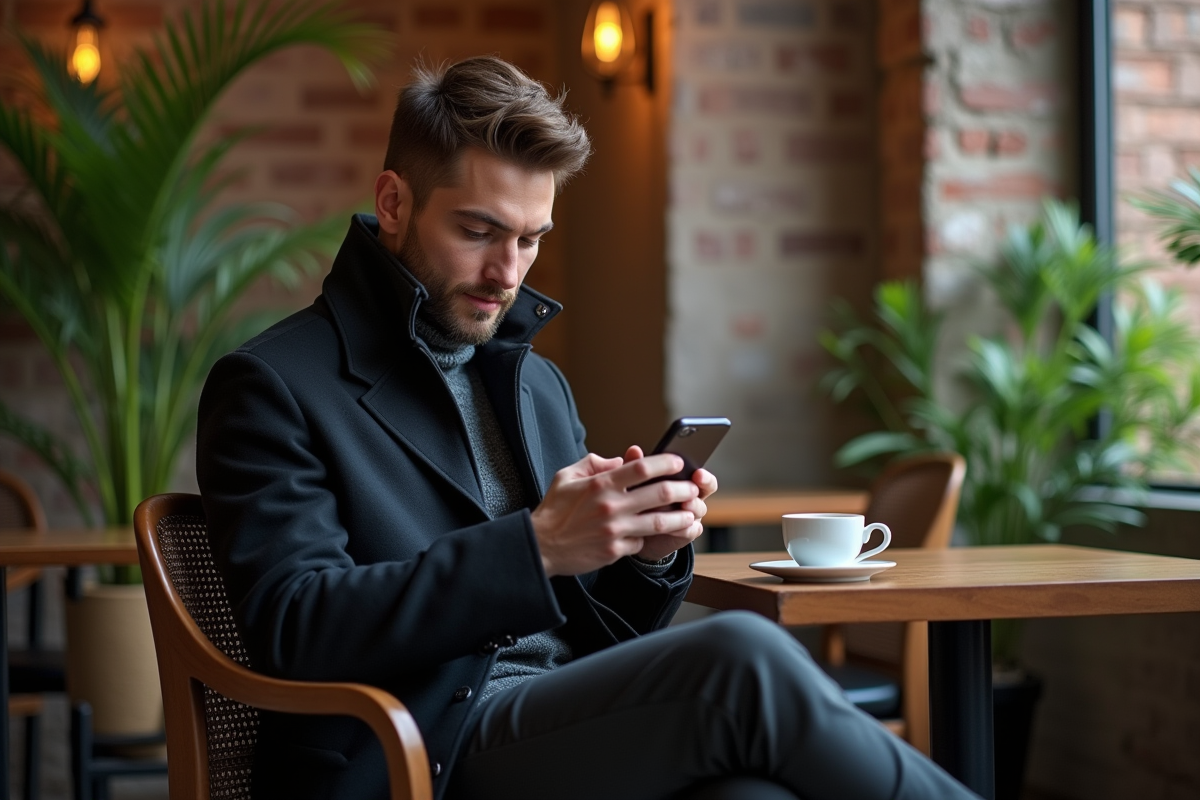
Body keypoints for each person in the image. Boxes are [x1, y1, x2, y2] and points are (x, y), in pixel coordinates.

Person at [196, 56, 978, 800]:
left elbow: (598, 634)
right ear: (395, 203)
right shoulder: (273, 385)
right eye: (479, 231)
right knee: (741, 656)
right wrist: (537, 546)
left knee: (750, 791)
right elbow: (295, 627)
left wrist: (644, 556)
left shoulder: (534, 384)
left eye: (532, 238)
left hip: (556, 728)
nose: (510, 272)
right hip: (416, 749)